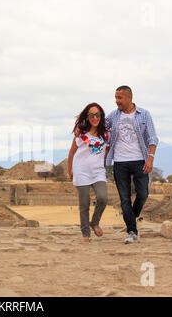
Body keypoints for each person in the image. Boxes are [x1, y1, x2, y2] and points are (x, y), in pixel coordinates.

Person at [105, 86, 159, 244]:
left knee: (143, 194)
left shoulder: (144, 114)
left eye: (119, 98)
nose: (117, 101)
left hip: (140, 160)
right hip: (120, 162)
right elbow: (100, 125)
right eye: (115, 97)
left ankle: (132, 217)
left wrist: (150, 159)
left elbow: (153, 138)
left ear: (129, 97)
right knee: (124, 199)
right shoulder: (113, 115)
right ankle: (132, 231)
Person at [68, 103, 110, 242]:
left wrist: (104, 166)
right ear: (87, 116)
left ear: (101, 116)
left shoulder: (106, 134)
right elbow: (72, 152)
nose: (94, 117)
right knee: (84, 203)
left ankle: (95, 222)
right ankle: (85, 234)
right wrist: (70, 169)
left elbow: (106, 152)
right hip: (81, 171)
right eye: (91, 115)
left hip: (98, 172)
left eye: (97, 114)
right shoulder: (81, 133)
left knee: (103, 198)